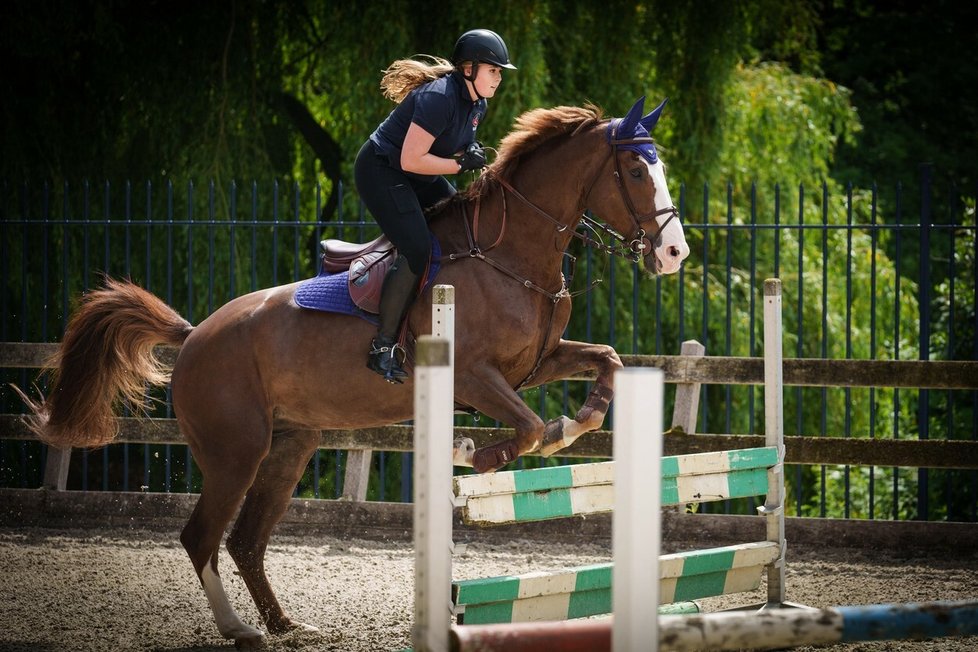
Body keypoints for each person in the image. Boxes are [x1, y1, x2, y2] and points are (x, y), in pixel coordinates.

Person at [354, 29, 517, 383]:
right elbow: (411, 159)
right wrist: (460, 165)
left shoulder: (478, 104)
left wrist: (466, 155)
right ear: (469, 68)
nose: (500, 77)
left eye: (501, 72)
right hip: (382, 170)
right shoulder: (439, 97)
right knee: (416, 247)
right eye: (494, 70)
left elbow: (443, 149)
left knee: (461, 220)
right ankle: (382, 346)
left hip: (412, 173)